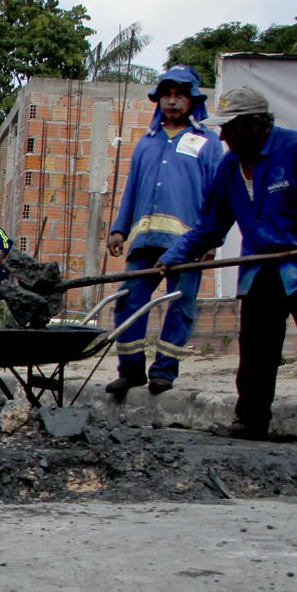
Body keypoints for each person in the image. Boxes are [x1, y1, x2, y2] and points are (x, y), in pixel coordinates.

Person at [159, 86, 297, 452]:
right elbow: (211, 224)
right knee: (256, 346)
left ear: (256, 124)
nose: (223, 136)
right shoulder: (230, 166)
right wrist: (176, 254)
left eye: (231, 128)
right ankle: (251, 420)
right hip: (260, 265)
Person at [104, 65, 224, 400]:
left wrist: (212, 241)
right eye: (166, 95)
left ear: (192, 100)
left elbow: (218, 194)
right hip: (144, 241)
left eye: (179, 95)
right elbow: (131, 188)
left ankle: (164, 372)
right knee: (129, 302)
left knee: (181, 306)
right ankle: (130, 371)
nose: (172, 102)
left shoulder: (207, 143)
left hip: (189, 244)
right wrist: (119, 229)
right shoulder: (147, 142)